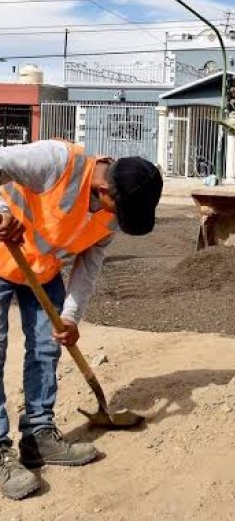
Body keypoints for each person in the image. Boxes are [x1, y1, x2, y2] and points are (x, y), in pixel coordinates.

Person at [0, 140, 162, 500]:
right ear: (106, 189)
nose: (117, 222)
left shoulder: (110, 213)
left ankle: (39, 437)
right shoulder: (57, 161)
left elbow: (88, 267)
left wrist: (71, 317)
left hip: (41, 273)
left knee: (46, 350)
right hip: (0, 253)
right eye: (118, 211)